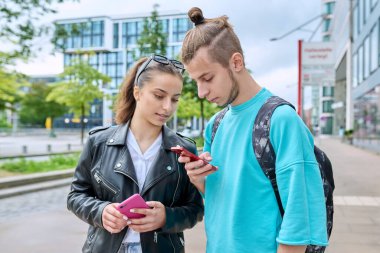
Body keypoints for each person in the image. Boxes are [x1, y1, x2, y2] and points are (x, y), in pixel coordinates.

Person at [178, 7, 328, 253]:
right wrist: (198, 178)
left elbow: (300, 218)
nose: (201, 93)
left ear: (236, 62)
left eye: (207, 78)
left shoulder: (281, 120)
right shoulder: (214, 126)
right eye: (196, 82)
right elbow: (221, 200)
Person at [67, 54, 204, 253]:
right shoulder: (99, 142)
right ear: (137, 93)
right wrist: (101, 211)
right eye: (159, 95)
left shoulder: (185, 150)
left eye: (175, 99)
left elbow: (195, 209)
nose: (167, 107)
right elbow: (76, 195)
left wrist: (167, 217)